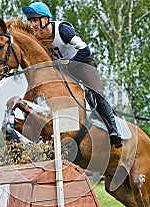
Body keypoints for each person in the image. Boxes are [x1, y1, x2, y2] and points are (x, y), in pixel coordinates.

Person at [22, 2, 122, 148]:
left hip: (83, 65)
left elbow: (85, 49)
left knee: (96, 93)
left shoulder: (63, 30)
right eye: (31, 21)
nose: (33, 24)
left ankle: (114, 130)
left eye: (35, 20)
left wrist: (67, 63)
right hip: (64, 72)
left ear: (45, 20)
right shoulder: (38, 39)